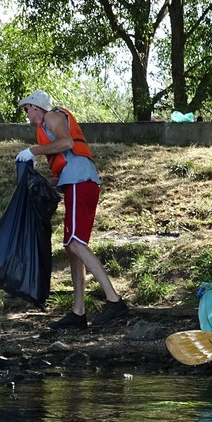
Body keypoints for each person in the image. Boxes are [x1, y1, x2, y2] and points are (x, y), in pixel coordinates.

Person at [15, 90, 129, 329]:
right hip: (77, 183)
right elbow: (67, 163)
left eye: (27, 109)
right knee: (71, 247)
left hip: (81, 183)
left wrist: (33, 151)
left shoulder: (51, 117)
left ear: (35, 107)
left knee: (76, 243)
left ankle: (114, 300)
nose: (26, 114)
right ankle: (78, 313)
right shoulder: (48, 124)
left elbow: (67, 143)